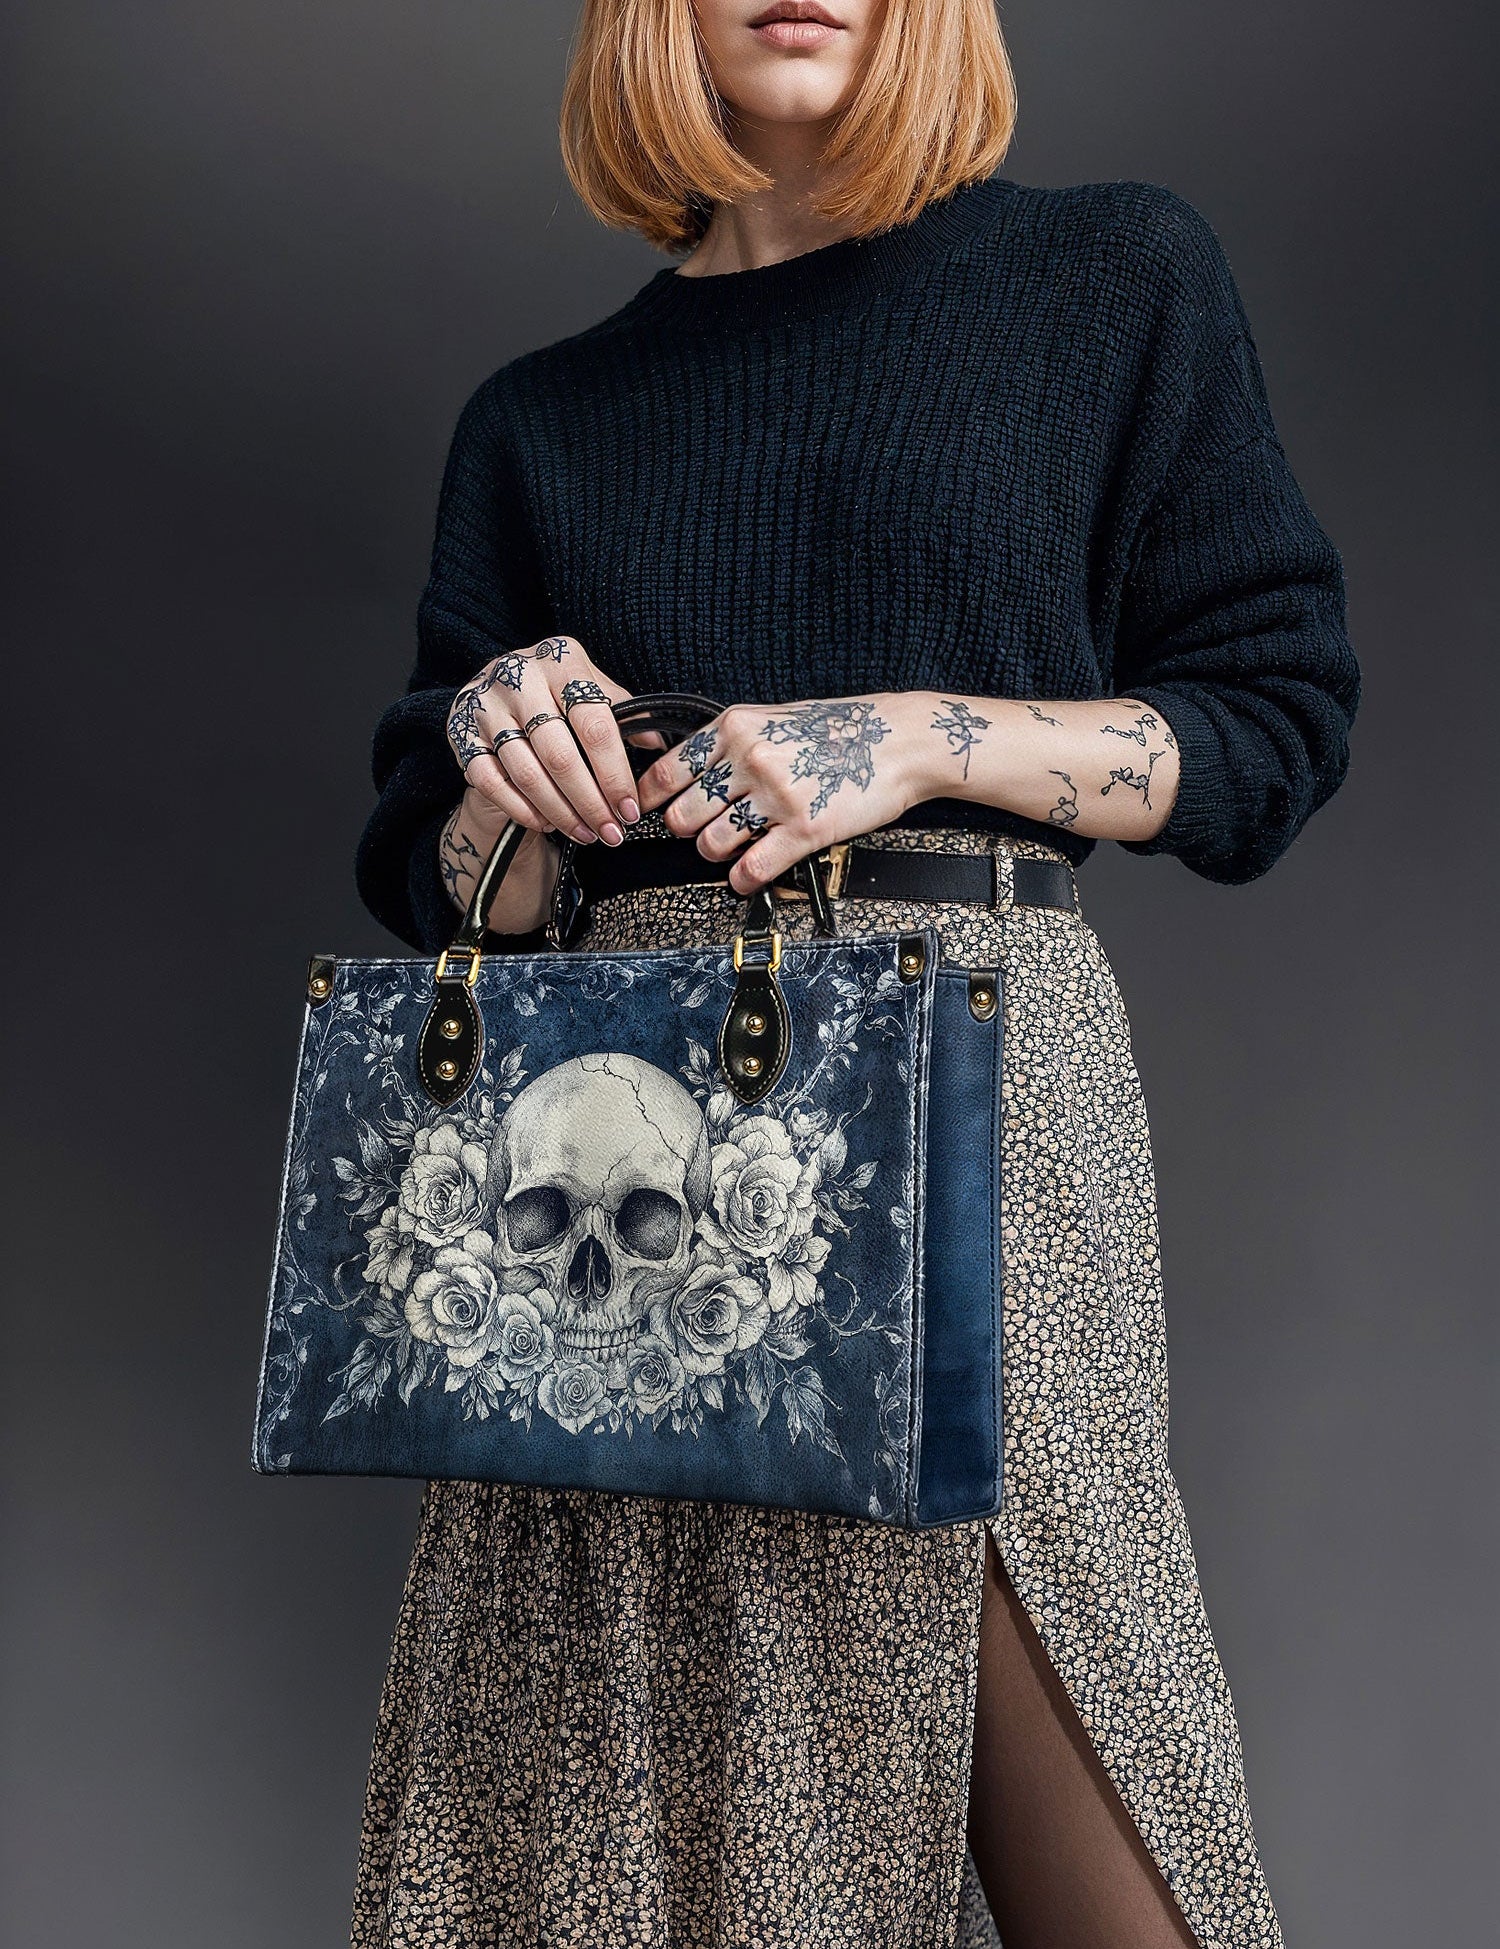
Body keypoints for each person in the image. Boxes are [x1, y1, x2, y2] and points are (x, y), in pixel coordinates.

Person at [348, 3, 1360, 1945]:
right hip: (618, 1148)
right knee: (611, 1825)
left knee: (1097, 1740)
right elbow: (450, 885)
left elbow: (1270, 727)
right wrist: (504, 765)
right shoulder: (539, 419)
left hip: (971, 1089)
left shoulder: (1109, 279)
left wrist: (915, 734)